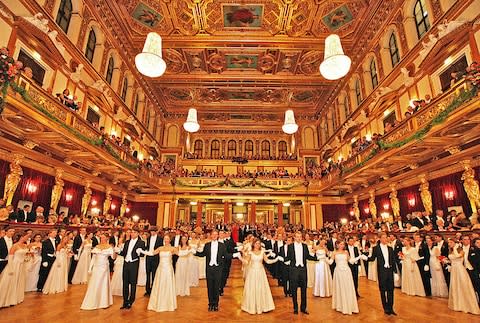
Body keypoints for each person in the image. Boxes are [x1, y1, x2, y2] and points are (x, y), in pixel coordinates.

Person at [239, 238, 279, 314]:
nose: (257, 245)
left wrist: (276, 259)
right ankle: (252, 306)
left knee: (261, 288)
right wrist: (240, 257)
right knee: (253, 288)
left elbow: (267, 261)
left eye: (259, 243)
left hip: (261, 272)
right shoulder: (250, 252)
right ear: (253, 244)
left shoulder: (262, 252)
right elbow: (246, 262)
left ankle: (263, 306)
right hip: (252, 272)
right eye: (256, 243)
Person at [141, 234, 178, 312]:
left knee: (167, 284)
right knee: (159, 284)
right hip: (160, 269)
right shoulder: (160, 248)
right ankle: (158, 302)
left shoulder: (173, 248)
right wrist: (142, 251)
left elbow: (180, 254)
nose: (166, 240)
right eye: (165, 238)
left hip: (168, 269)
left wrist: (189, 251)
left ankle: (168, 303)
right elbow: (151, 253)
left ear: (170, 240)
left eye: (167, 238)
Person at [195, 230, 229, 312]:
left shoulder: (222, 245)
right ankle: (210, 304)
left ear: (217, 236)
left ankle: (216, 304)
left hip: (218, 269)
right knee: (210, 287)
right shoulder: (207, 245)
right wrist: (194, 252)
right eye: (213, 234)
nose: (214, 236)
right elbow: (202, 254)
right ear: (210, 235)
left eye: (216, 234)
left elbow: (226, 255)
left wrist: (236, 254)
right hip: (209, 269)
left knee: (216, 287)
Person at [284, 231, 318, 315]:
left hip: (303, 270)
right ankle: (295, 308)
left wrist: (316, 256)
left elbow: (308, 256)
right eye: (297, 237)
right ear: (294, 238)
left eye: (300, 237)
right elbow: (288, 257)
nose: (298, 238)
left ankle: (303, 308)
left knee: (304, 290)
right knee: (294, 290)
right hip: (294, 270)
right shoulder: (290, 247)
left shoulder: (304, 246)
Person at [80, 234, 114, 310]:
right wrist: (90, 268)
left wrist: (114, 250)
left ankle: (104, 302)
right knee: (94, 283)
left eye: (103, 238)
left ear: (107, 238)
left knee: (103, 283)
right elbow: (93, 258)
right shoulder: (97, 247)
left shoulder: (109, 247)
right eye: (101, 238)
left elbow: (113, 257)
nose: (102, 239)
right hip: (96, 267)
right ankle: (94, 300)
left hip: (104, 267)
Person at [447, 238, 480, 314]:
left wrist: (455, 248)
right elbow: (452, 259)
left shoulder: (459, 249)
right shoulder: (451, 250)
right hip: (454, 271)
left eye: (451, 242)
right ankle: (458, 303)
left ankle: (470, 304)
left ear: (455, 242)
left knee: (465, 286)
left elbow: (459, 256)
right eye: (449, 242)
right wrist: (447, 262)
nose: (449, 244)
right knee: (456, 286)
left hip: (460, 270)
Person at [368, 233, 397, 316]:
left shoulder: (390, 248)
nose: (385, 239)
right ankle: (386, 308)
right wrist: (365, 257)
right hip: (382, 272)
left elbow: (393, 260)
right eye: (383, 238)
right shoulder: (376, 248)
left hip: (390, 271)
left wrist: (395, 272)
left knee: (391, 290)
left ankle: (391, 308)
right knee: (383, 290)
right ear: (380, 239)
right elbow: (372, 258)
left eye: (386, 238)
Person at [0, 232, 30, 308]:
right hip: (14, 265)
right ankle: (8, 299)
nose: (27, 238)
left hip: (22, 265)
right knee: (12, 282)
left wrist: (27, 258)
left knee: (19, 281)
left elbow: (25, 255)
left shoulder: (25, 245)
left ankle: (16, 298)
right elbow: (10, 258)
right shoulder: (15, 246)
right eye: (27, 237)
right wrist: (10, 269)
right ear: (22, 237)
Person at [119, 228, 145, 309]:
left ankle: (131, 301)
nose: (132, 234)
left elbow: (142, 255)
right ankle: (125, 301)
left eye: (134, 232)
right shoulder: (127, 242)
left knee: (133, 283)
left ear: (138, 233)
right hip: (126, 263)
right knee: (125, 283)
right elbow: (124, 253)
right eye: (132, 232)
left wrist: (139, 252)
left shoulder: (141, 242)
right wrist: (118, 251)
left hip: (134, 264)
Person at [331, 241, 360, 315]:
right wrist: (323, 258)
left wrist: (359, 257)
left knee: (348, 287)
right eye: (340, 244)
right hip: (338, 272)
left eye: (343, 244)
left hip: (347, 271)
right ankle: (341, 306)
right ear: (337, 245)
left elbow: (350, 261)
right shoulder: (334, 253)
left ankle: (350, 305)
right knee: (340, 288)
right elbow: (331, 262)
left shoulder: (346, 252)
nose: (342, 245)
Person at [145, 227, 162, 296]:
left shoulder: (160, 239)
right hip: (148, 258)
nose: (152, 233)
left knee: (154, 274)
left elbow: (160, 249)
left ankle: (154, 289)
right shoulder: (148, 238)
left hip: (155, 258)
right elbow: (147, 247)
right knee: (148, 274)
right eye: (151, 231)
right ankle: (147, 290)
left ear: (156, 232)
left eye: (153, 231)